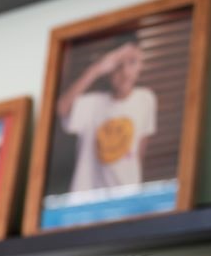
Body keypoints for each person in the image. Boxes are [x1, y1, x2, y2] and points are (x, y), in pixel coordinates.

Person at [56, 33, 156, 194]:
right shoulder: (92, 104)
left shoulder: (146, 99)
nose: (125, 73)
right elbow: (62, 108)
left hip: (126, 201)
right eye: (118, 65)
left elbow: (139, 151)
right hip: (87, 205)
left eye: (132, 62)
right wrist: (97, 69)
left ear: (141, 64)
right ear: (108, 68)